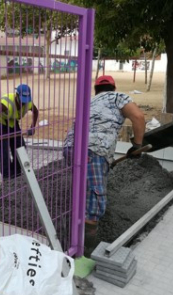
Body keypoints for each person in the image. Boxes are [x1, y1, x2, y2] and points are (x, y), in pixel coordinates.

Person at [63, 75, 146, 252]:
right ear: (113, 88)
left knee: (82, 190)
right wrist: (137, 145)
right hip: (93, 151)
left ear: (96, 90)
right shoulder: (117, 97)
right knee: (94, 199)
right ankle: (85, 251)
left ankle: (73, 233)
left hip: (70, 147)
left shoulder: (89, 102)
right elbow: (138, 117)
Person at [0, 84, 39, 179]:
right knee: (4, 151)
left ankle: (17, 173)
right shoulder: (6, 104)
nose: (23, 103)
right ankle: (7, 176)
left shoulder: (28, 103)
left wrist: (32, 127)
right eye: (22, 100)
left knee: (20, 147)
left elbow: (35, 111)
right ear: (17, 95)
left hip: (12, 122)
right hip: (0, 123)